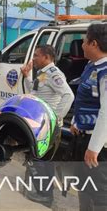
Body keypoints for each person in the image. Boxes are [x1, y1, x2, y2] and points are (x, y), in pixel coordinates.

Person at [20, 45, 74, 206]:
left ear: (46, 57)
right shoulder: (43, 74)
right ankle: (36, 191)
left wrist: (55, 117)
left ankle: (45, 196)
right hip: (39, 124)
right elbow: (35, 93)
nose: (33, 59)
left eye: (36, 55)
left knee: (43, 160)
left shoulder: (54, 74)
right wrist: (27, 76)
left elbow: (68, 95)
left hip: (48, 126)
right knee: (36, 157)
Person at [70, 23, 107, 211]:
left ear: (94, 43)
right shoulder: (91, 66)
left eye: (84, 41)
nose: (82, 44)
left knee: (100, 195)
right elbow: (84, 98)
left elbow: (106, 112)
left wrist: (94, 148)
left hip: (98, 146)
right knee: (84, 186)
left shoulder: (105, 71)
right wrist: (77, 122)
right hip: (83, 137)